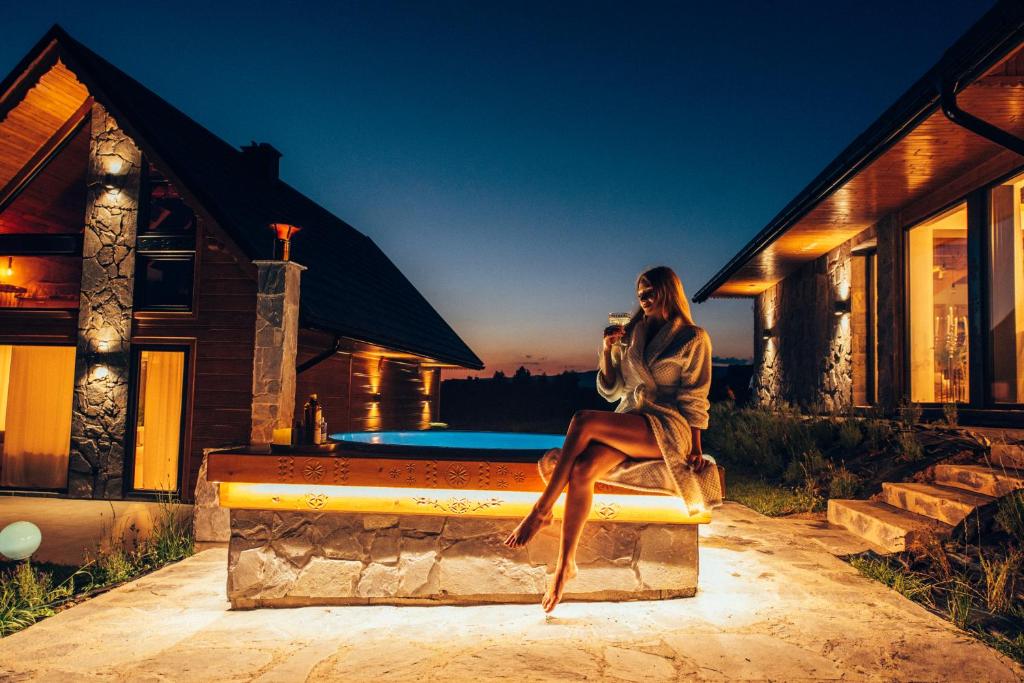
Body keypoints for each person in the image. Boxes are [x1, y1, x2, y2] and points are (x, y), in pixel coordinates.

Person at [503, 265, 723, 612]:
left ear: (669, 291)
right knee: (583, 468)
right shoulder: (634, 331)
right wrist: (607, 351)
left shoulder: (693, 338)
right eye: (640, 293)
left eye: (650, 291)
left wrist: (696, 447)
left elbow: (696, 395)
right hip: (632, 417)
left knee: (583, 420)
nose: (643, 298)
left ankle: (541, 509)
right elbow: (612, 390)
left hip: (667, 425)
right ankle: (565, 566)